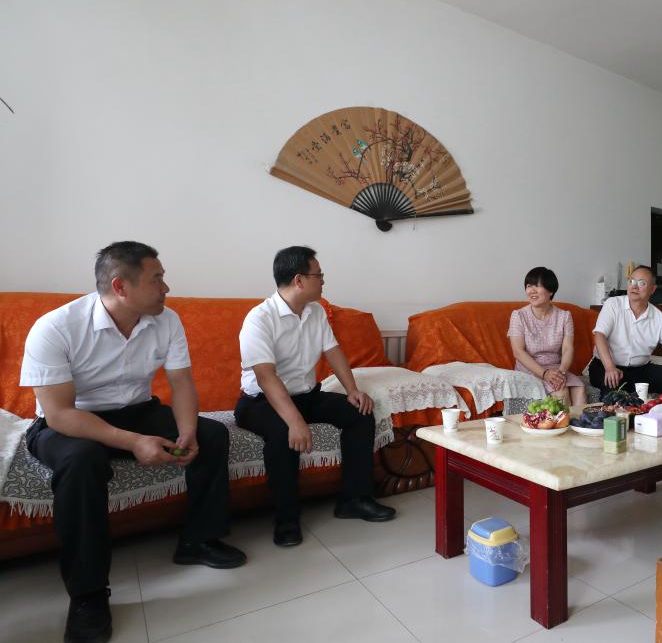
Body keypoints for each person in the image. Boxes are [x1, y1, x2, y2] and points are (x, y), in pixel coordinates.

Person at [20, 241, 246, 643]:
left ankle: (199, 540)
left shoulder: (167, 320)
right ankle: (88, 595)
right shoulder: (55, 327)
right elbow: (59, 414)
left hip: (137, 410)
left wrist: (187, 430)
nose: (166, 288)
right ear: (120, 286)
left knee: (211, 434)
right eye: (157, 279)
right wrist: (134, 442)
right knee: (81, 460)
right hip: (70, 421)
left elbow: (181, 383)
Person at [234, 246, 395, 549]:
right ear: (299, 280)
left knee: (359, 413)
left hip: (306, 395)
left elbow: (332, 351)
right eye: (318, 275)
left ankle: (354, 499)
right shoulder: (259, 319)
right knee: (283, 433)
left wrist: (353, 391)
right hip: (260, 401)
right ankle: (286, 519)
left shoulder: (316, 311)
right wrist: (295, 422)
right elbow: (266, 377)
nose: (323, 280)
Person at [588, 265, 662, 404]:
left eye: (641, 283)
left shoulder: (659, 318)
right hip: (605, 366)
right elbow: (599, 335)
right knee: (614, 394)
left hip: (640, 371)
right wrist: (610, 367)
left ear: (652, 289)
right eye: (631, 281)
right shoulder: (613, 304)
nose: (634, 287)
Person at [508, 267, 586, 407]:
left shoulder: (564, 316)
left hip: (556, 369)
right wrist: (545, 374)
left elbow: (567, 349)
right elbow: (518, 352)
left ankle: (581, 422)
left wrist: (561, 372)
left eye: (537, 286)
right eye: (529, 286)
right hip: (529, 369)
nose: (531, 290)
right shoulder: (518, 316)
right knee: (561, 391)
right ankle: (564, 422)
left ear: (551, 291)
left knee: (579, 389)